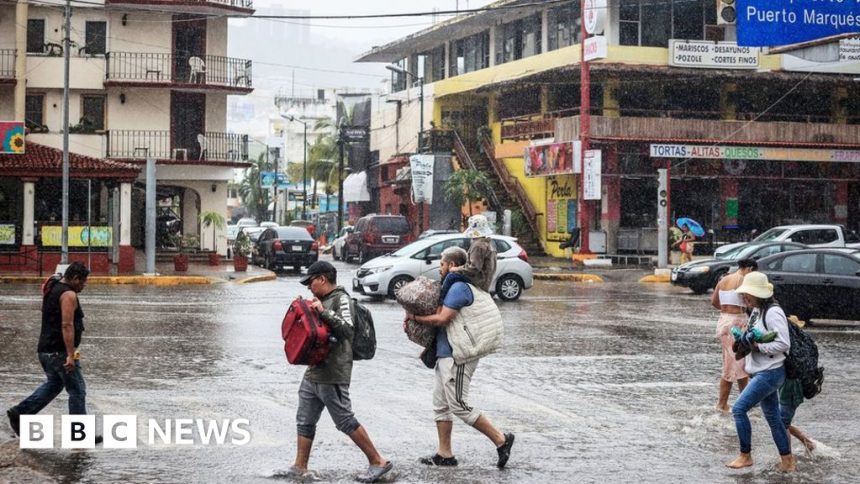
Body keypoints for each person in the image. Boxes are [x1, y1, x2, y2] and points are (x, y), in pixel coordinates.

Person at [406, 247, 514, 469]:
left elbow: (443, 319)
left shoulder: (458, 287)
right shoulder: (452, 286)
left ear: (452, 265)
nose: (440, 268)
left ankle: (501, 439)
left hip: (458, 356)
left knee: (459, 405)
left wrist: (415, 317)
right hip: (444, 355)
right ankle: (445, 454)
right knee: (441, 405)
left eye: (443, 264)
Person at [290, 261, 392, 483]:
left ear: (322, 279)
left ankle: (377, 461)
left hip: (333, 372)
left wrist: (323, 311)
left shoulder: (341, 299)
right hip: (315, 370)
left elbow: (347, 329)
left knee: (344, 420)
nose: (309, 286)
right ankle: (300, 466)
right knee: (304, 419)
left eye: (311, 282)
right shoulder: (323, 300)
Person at [6, 262, 102, 444]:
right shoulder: (68, 294)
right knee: (77, 390)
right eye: (83, 282)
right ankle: (79, 435)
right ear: (74, 278)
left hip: (45, 349)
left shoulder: (54, 286)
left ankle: (20, 412)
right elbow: (66, 325)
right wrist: (70, 355)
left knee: (54, 384)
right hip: (59, 352)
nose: (84, 285)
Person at [726, 271, 795, 472]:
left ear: (759, 294)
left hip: (771, 372)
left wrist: (758, 347)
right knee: (774, 419)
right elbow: (753, 336)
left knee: (738, 409)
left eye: (748, 294)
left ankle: (745, 455)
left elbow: (783, 343)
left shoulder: (773, 312)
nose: (744, 297)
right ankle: (787, 461)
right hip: (761, 371)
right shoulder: (757, 311)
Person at [710, 259, 757, 412]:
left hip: (724, 321)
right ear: (749, 268)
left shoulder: (724, 279)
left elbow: (714, 301)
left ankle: (733, 402)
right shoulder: (743, 281)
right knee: (737, 365)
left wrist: (726, 308)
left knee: (734, 364)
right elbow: (751, 303)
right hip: (737, 323)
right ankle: (727, 404)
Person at [779, 316, 816, 455]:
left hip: (791, 388)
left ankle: (786, 456)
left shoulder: (793, 350)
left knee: (782, 423)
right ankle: (806, 442)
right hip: (788, 387)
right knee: (780, 420)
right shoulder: (800, 348)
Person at [451, 214, 496, 292]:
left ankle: (441, 302)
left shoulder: (478, 246)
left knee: (450, 277)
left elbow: (474, 268)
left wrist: (456, 269)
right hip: (485, 282)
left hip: (477, 283)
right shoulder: (488, 243)